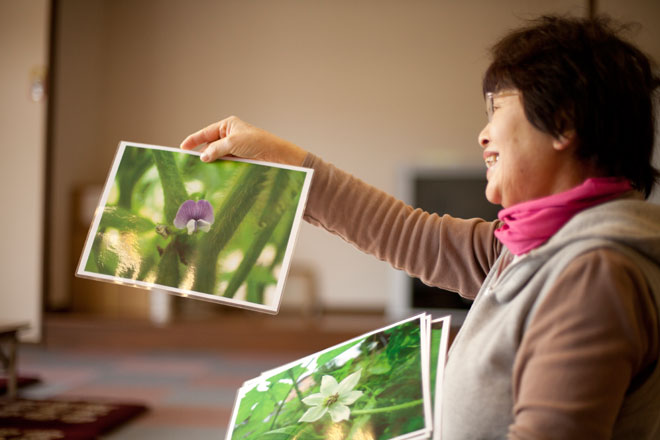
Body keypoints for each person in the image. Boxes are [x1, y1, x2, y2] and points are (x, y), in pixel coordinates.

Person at [181, 15, 660, 440]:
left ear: (563, 122)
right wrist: (284, 161)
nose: (483, 134)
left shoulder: (592, 274)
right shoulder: (534, 248)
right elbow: (405, 233)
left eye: (496, 109)